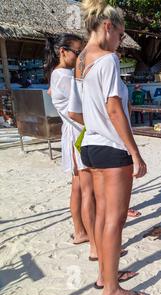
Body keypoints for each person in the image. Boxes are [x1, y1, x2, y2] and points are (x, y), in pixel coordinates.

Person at [74, 0, 148, 295]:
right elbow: (115, 108)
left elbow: (81, 108)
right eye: (120, 35)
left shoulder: (82, 59)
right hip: (111, 148)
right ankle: (112, 290)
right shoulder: (107, 59)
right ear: (108, 27)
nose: (120, 43)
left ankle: (105, 277)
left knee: (103, 216)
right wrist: (135, 152)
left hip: (90, 146)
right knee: (114, 221)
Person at [45, 33, 98, 258]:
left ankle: (80, 231)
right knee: (89, 192)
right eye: (79, 52)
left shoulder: (59, 74)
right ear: (63, 51)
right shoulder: (64, 75)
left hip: (73, 134)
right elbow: (78, 111)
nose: (81, 57)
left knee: (78, 188)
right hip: (79, 135)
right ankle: (96, 245)